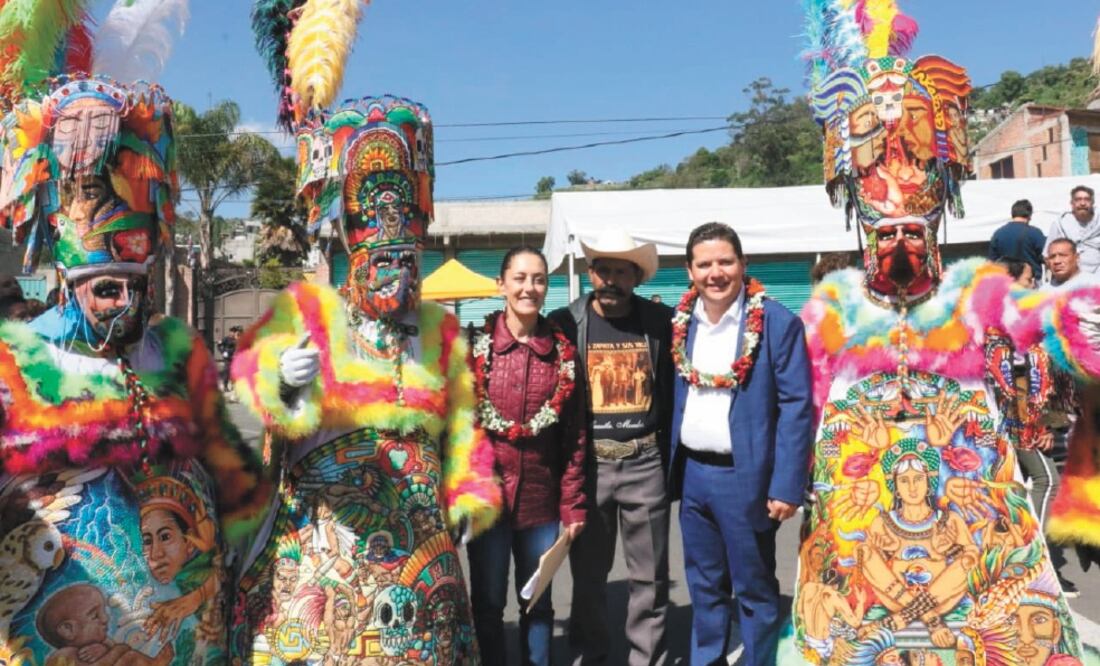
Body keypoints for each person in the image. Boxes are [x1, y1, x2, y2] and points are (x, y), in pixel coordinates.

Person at [791, 4, 1100, 663]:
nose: (902, 240)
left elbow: (1038, 320)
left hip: (969, 497)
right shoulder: (835, 304)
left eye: (914, 231)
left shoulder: (971, 287)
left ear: (934, 235)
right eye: (889, 233)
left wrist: (1074, 320)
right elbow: (797, 394)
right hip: (861, 503)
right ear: (865, 239)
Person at [0, 74, 268, 665]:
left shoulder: (176, 351)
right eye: (105, 289)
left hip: (184, 632)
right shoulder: (13, 361)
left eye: (133, 288)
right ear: (69, 289)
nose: (122, 303)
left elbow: (235, 476)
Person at [230, 94, 501, 662]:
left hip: (425, 564)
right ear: (354, 258)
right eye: (383, 264)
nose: (397, 278)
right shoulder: (310, 313)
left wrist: (467, 493)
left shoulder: (440, 333)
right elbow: (259, 379)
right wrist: (285, 382)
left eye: (407, 263)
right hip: (330, 551)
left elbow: (462, 428)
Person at [667, 222, 812, 665]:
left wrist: (787, 485)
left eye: (725, 262)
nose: (715, 273)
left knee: (754, 589)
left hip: (744, 476)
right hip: (694, 476)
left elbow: (796, 407)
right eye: (704, 264)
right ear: (690, 271)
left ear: (743, 264)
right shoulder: (680, 323)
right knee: (705, 586)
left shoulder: (776, 323)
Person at [550, 229, 673, 666]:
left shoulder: (660, 323)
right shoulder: (566, 323)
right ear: (590, 273)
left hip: (645, 462)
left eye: (621, 272)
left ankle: (648, 657)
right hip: (591, 465)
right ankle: (594, 655)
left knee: (651, 577)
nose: (611, 280)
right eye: (603, 270)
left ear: (636, 278)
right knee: (588, 577)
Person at [466, 245, 587, 666]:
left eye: (538, 279)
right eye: (519, 278)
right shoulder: (474, 351)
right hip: (487, 504)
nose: (529, 288)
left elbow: (575, 439)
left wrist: (572, 506)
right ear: (501, 284)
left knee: (537, 604)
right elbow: (460, 431)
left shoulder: (562, 355)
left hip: (541, 501)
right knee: (486, 603)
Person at [1046, 185, 1100, 275]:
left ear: (1092, 203)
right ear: (1072, 203)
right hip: (1069, 279)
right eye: (1078, 199)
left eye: (1087, 199)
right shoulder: (1060, 224)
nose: (1082, 203)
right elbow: (1047, 255)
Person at [989, 199, 1045, 282]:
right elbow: (1046, 256)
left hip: (1007, 281)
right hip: (1030, 281)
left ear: (1012, 214)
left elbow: (991, 262)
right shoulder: (1035, 233)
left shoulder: (998, 233)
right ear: (1029, 215)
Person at [217, 325, 242, 393]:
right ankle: (225, 386)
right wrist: (223, 352)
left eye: (234, 332)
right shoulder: (226, 339)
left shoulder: (236, 339)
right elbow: (219, 345)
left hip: (234, 357)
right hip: (227, 358)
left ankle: (234, 386)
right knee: (227, 372)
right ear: (230, 332)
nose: (233, 333)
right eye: (232, 331)